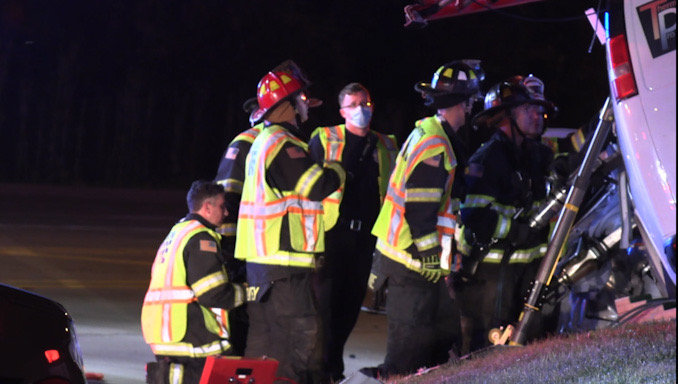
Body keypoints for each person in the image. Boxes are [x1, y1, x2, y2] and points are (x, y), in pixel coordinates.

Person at [365, 60, 484, 378]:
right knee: (407, 359)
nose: (473, 107)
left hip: (417, 265)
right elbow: (419, 209)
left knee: (442, 350)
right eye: (471, 100)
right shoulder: (435, 144)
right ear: (463, 102)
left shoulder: (430, 133)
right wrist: (432, 257)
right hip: (413, 264)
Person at [234, 67, 346, 384]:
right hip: (283, 266)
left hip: (263, 264)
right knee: (298, 338)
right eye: (303, 98)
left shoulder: (263, 142)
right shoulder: (283, 144)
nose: (307, 105)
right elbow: (318, 185)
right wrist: (337, 167)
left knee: (265, 342)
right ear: (290, 102)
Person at [213, 62, 323, 356]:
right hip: (257, 258)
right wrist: (228, 254)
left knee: (264, 339)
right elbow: (227, 200)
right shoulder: (254, 143)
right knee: (270, 339)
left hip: (265, 258)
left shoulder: (279, 141)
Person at [455, 78, 557, 354]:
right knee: (487, 349)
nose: (537, 117)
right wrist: (514, 230)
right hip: (490, 273)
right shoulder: (487, 159)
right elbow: (475, 216)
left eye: (539, 111)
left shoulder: (536, 155)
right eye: (528, 110)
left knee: (526, 345)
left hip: (527, 269)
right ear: (507, 116)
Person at [308, 82, 398, 382]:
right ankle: (322, 369)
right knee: (324, 307)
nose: (362, 109)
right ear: (343, 110)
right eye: (354, 104)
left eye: (366, 102)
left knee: (349, 307)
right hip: (332, 235)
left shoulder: (386, 145)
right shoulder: (325, 138)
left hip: (366, 239)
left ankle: (332, 366)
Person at [141, 180, 247, 384]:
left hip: (164, 331)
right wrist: (246, 292)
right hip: (188, 335)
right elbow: (213, 293)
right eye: (222, 207)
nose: (226, 213)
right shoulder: (201, 238)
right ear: (207, 207)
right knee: (224, 362)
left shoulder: (178, 232)